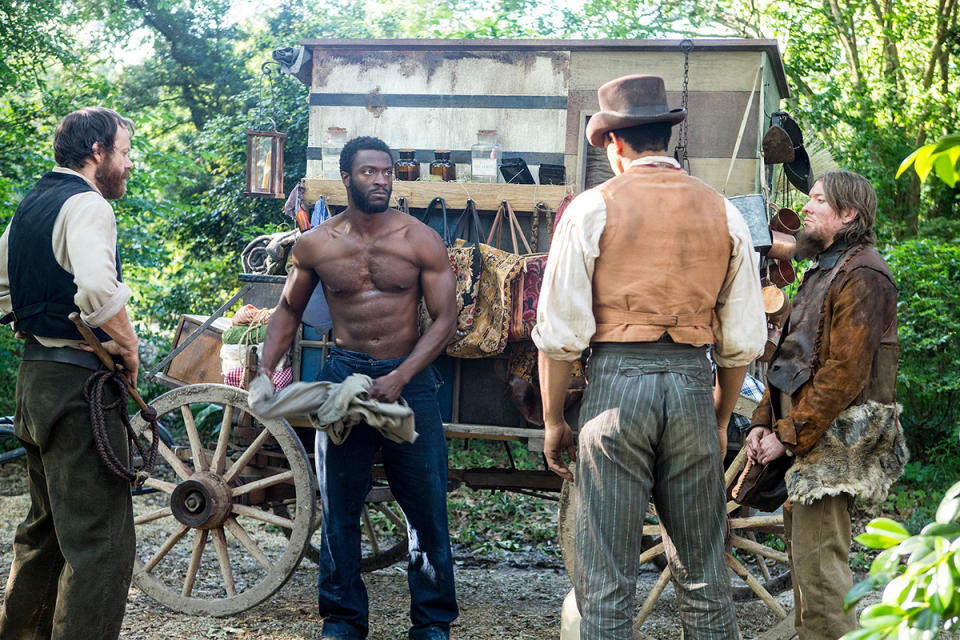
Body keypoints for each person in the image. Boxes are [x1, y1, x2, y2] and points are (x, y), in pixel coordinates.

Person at [535, 75, 766, 639]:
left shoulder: (593, 207)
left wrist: (552, 419)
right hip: (692, 386)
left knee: (607, 581)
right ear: (668, 137)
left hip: (616, 389)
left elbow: (560, 332)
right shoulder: (723, 212)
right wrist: (716, 416)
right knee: (705, 578)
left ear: (615, 145)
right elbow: (740, 338)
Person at [257, 136, 459, 640]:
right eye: (369, 172)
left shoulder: (419, 240)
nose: (381, 180)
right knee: (340, 505)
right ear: (346, 177)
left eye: (387, 172)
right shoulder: (317, 244)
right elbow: (288, 310)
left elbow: (446, 320)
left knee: (427, 507)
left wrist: (402, 375)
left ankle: (432, 624)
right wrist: (265, 369)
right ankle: (343, 621)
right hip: (344, 377)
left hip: (406, 383)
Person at [745, 170, 905, 640]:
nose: (807, 208)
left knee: (820, 563)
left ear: (848, 213)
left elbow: (843, 375)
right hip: (806, 428)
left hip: (835, 435)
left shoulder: (864, 274)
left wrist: (785, 434)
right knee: (806, 557)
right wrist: (761, 421)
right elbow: (788, 355)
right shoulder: (826, 268)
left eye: (818, 200)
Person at [0, 107, 139, 640]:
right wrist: (127, 347)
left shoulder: (31, 205)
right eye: (124, 153)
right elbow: (99, 290)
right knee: (99, 544)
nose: (128, 165)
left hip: (35, 380)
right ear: (98, 152)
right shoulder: (87, 203)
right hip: (78, 387)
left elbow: (4, 286)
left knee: (46, 533)